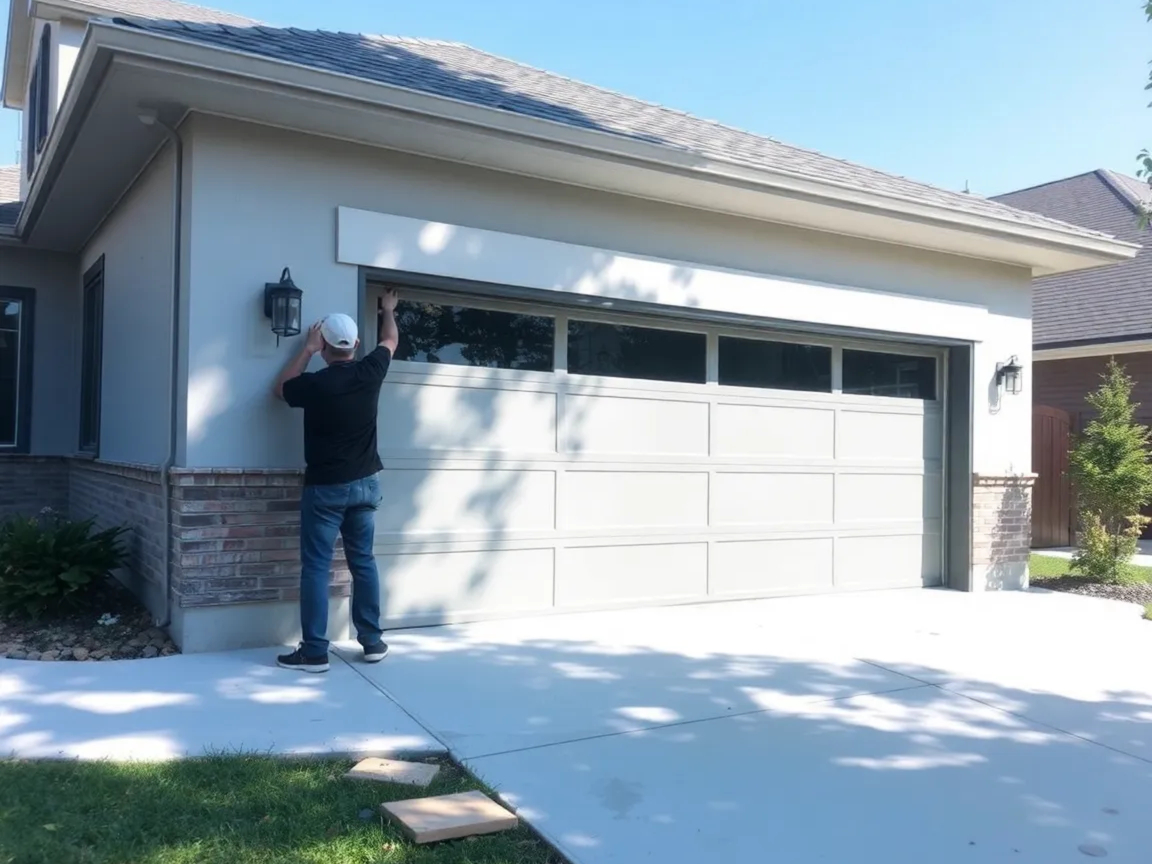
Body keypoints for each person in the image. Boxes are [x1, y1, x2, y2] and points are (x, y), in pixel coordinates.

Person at [271, 289, 400, 672]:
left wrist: (306, 350)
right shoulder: (370, 370)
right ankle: (373, 642)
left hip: (326, 488)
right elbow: (390, 340)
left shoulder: (314, 384)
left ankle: (314, 652)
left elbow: (279, 390)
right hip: (365, 484)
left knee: (316, 566)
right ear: (355, 345)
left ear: (325, 346)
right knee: (364, 561)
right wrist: (388, 310)